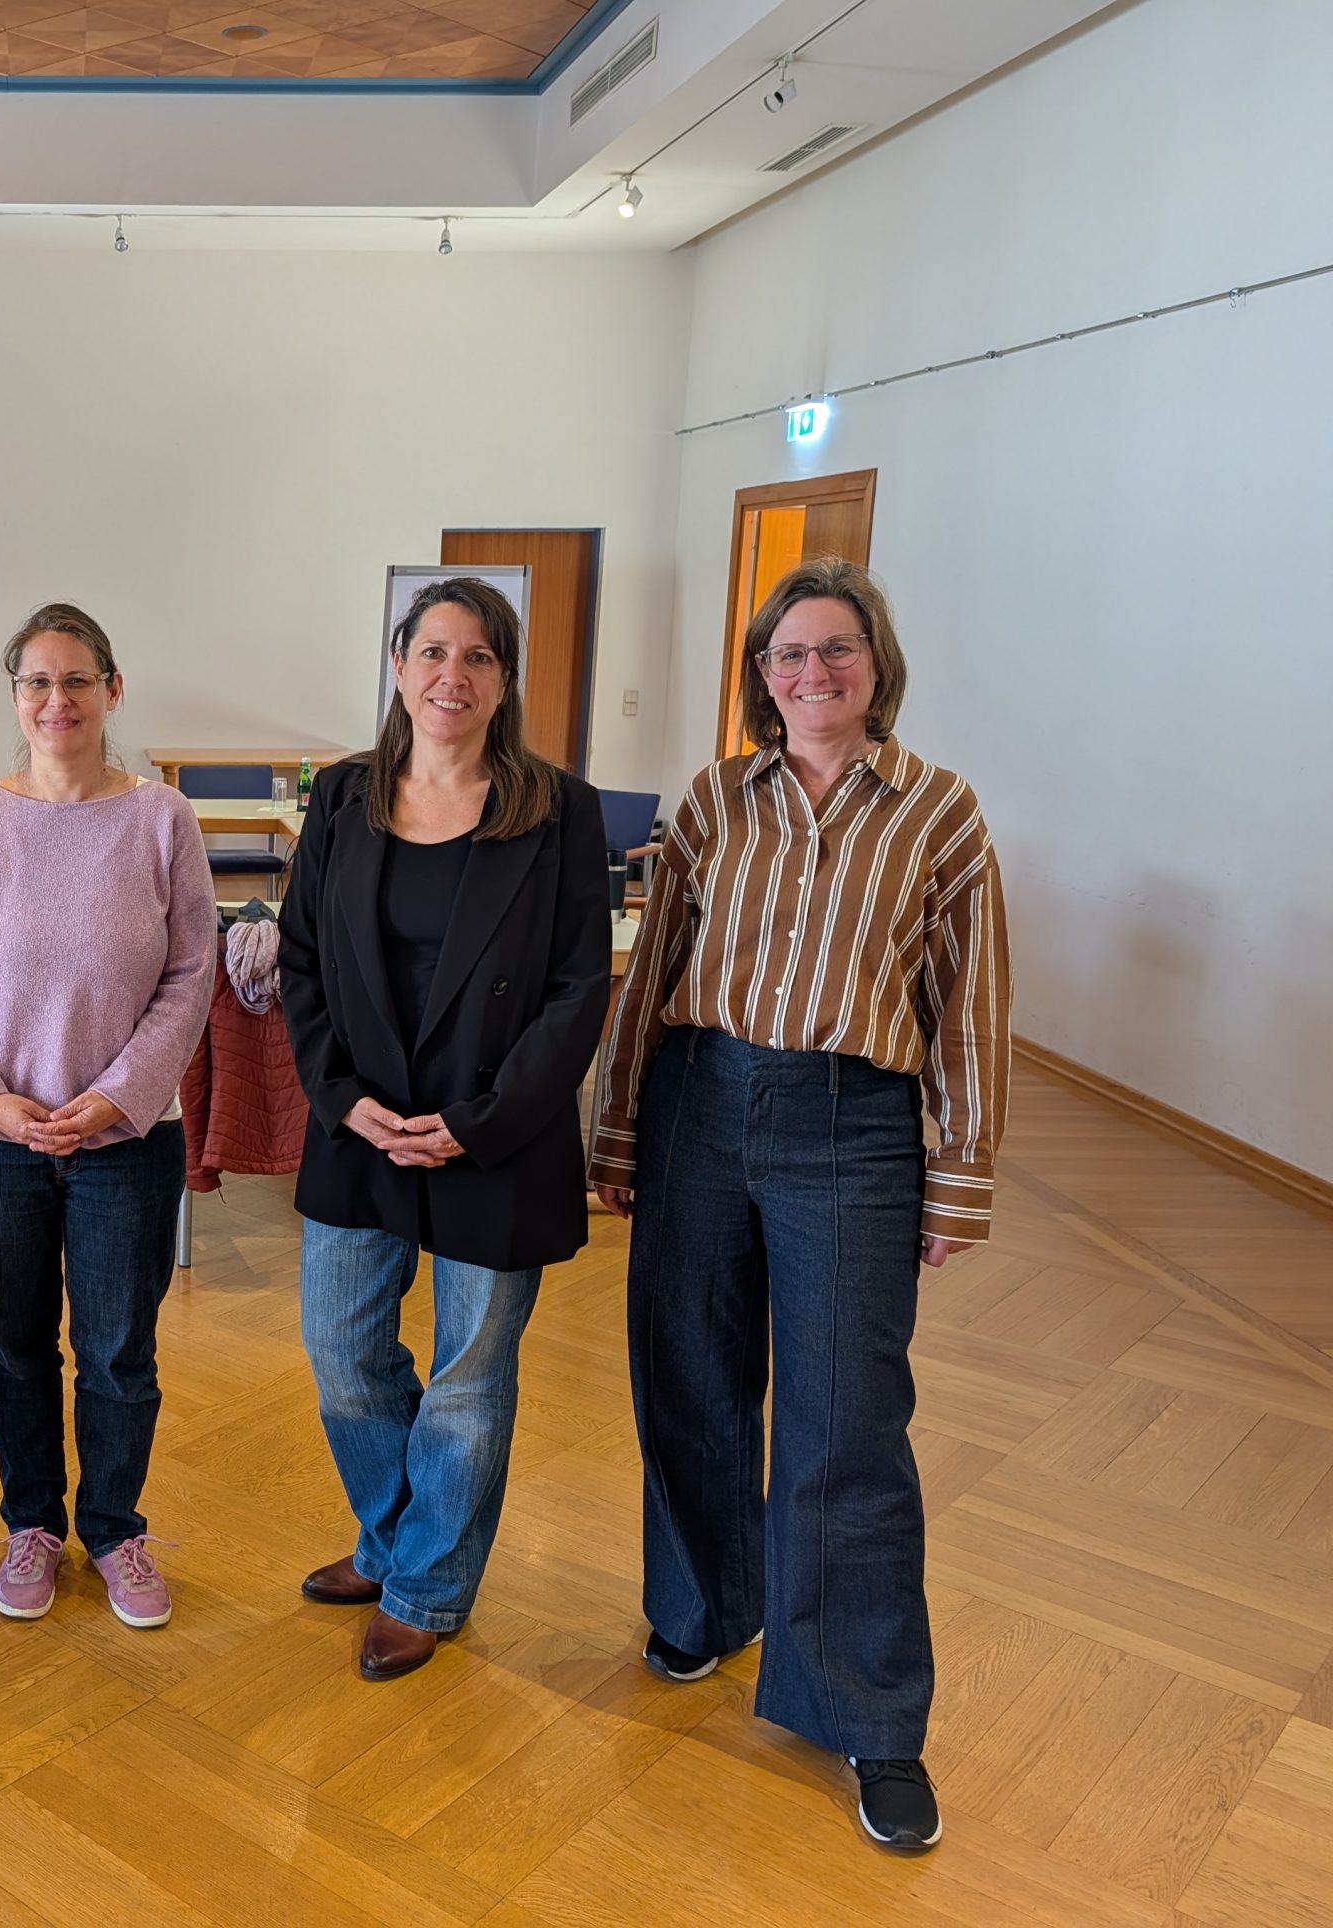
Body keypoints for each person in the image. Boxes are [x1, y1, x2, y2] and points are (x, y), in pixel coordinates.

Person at [590, 557, 1009, 1851]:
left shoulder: (939, 813)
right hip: (703, 1106)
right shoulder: (716, 799)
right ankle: (706, 1607)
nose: (812, 674)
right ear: (760, 678)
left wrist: (963, 1176)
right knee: (690, 1376)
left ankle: (872, 1717)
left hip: (853, 1129)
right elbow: (656, 965)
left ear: (875, 662)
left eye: (835, 651)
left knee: (850, 1420)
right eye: (788, 657)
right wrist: (616, 1129)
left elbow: (970, 1005)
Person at [278, 577, 607, 1682]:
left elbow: (575, 988)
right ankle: (390, 1534)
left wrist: (478, 1120)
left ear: (504, 678)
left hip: (494, 1134)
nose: (450, 676)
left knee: (469, 1376)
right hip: (361, 1123)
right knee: (343, 1354)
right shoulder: (342, 796)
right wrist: (339, 1098)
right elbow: (301, 963)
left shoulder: (558, 807)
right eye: (431, 652)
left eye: (476, 656)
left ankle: (424, 1581)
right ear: (398, 664)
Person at [0, 604, 214, 1629]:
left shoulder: (163, 820)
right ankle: (31, 1521)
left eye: (77, 680)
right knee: (14, 1343)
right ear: (14, 698)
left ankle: (118, 1526)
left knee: (121, 1348)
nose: (57, 701)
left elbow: (189, 974)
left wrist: (118, 1094)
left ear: (112, 691)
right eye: (36, 682)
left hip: (125, 1139)